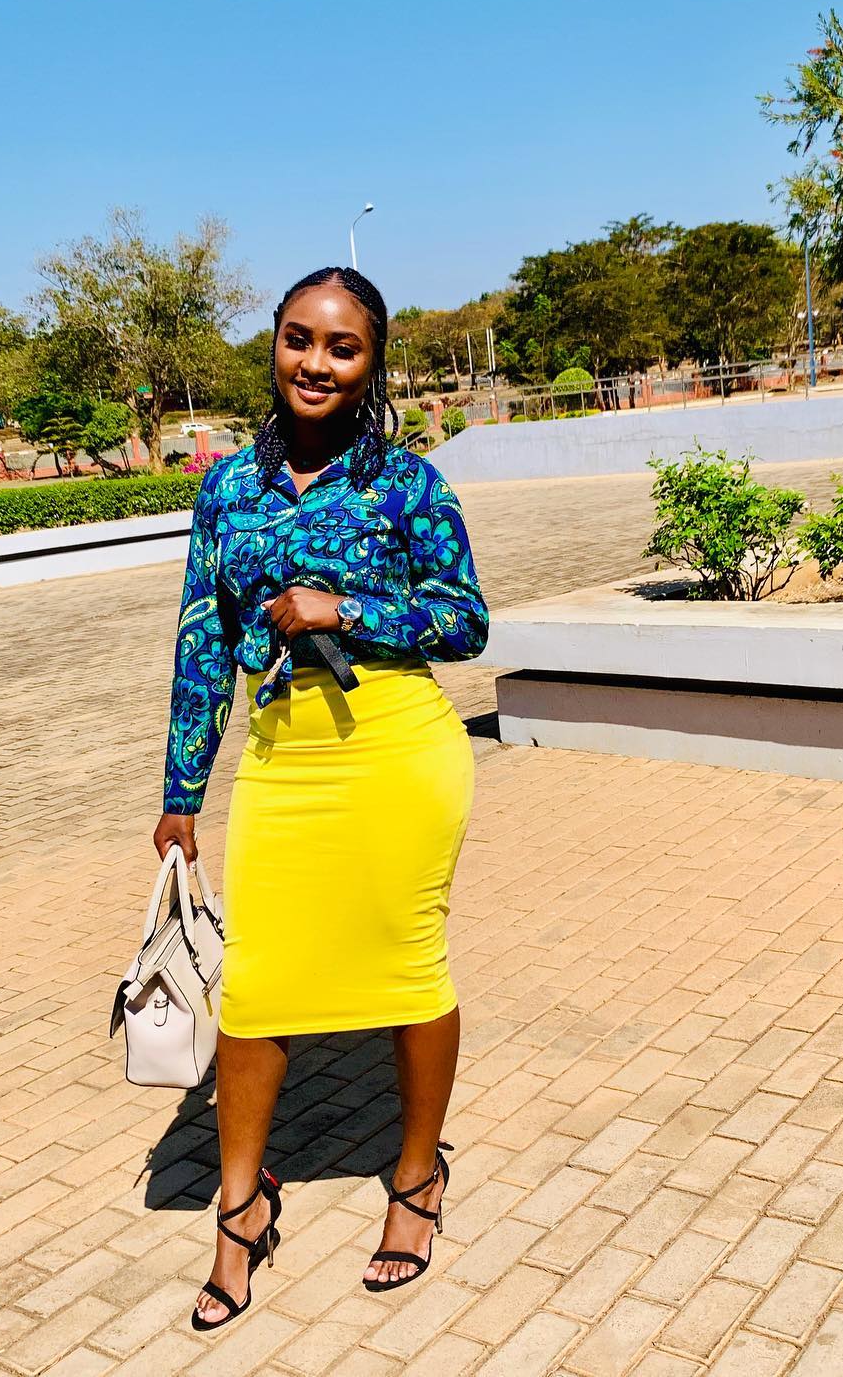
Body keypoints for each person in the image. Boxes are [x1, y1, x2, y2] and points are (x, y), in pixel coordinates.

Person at [151, 266, 489, 1332]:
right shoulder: (227, 489)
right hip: (284, 756)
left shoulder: (410, 485)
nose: (316, 362)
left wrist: (348, 606)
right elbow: (202, 639)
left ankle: (417, 1178)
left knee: (406, 965)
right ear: (276, 344)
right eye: (299, 338)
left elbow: (466, 619)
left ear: (371, 364)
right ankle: (241, 1210)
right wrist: (181, 790)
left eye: (343, 347)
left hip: (396, 748)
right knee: (256, 986)